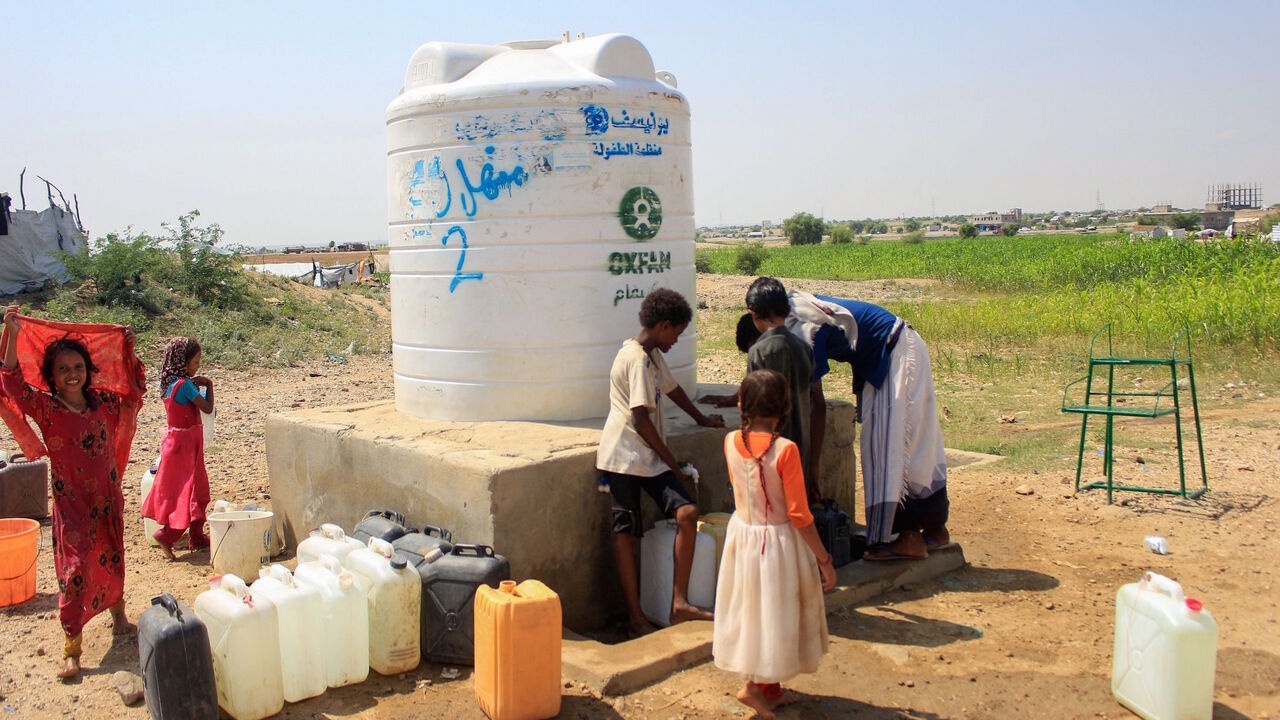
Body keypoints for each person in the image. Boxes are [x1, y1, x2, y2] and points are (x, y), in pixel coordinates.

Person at [0, 304, 145, 678]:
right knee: (75, 570)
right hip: (72, 504)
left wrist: (130, 350)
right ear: (50, 375)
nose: (72, 374)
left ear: (88, 371)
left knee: (112, 555)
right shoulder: (46, 408)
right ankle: (73, 649)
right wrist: (13, 333)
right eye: (63, 369)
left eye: (78, 368)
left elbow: (133, 391)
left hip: (106, 497)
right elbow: (11, 382)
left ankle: (119, 616)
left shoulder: (104, 403)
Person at [782, 291, 949, 561]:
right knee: (918, 448)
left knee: (887, 450)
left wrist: (813, 468)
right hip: (904, 346)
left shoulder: (801, 328)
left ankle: (907, 538)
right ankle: (935, 530)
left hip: (892, 355)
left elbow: (817, 404)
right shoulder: (799, 306)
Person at [597, 288, 725, 636]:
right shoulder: (636, 358)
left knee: (687, 513)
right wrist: (671, 463)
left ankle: (679, 602)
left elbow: (672, 390)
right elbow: (640, 420)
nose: (677, 340)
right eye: (677, 332)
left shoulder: (651, 355)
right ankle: (636, 616)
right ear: (663, 325)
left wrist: (701, 419)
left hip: (646, 455)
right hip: (623, 457)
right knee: (625, 532)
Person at [713, 369, 835, 719]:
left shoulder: (730, 441)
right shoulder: (786, 451)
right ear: (785, 409)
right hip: (778, 542)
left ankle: (770, 688)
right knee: (778, 613)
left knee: (755, 612)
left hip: (744, 538)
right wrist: (823, 558)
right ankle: (752, 688)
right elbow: (799, 513)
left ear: (741, 404)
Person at [701, 277, 815, 499]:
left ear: (752, 313)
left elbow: (752, 411)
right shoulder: (804, 348)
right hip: (800, 452)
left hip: (770, 456)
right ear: (786, 309)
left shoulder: (760, 352)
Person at [141, 337, 214, 558]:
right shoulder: (186, 386)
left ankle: (197, 536)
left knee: (192, 491)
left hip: (176, 445)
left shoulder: (169, 384)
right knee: (191, 494)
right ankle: (167, 536)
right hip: (186, 447)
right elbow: (208, 408)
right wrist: (208, 384)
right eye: (195, 363)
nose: (197, 368)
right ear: (182, 362)